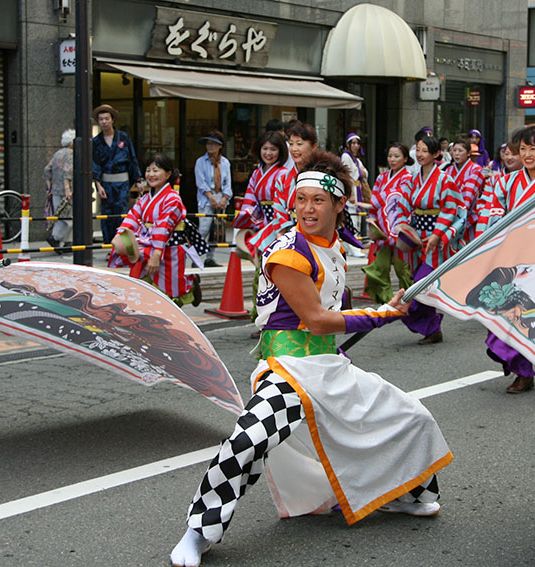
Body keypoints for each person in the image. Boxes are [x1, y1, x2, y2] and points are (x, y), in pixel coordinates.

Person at [169, 151, 452, 567]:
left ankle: (414, 496)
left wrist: (374, 310)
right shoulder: (287, 252)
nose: (306, 209)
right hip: (288, 370)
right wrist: (382, 314)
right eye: (300, 199)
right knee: (249, 441)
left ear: (339, 205)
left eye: (318, 200)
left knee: (409, 416)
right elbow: (317, 320)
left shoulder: (334, 243)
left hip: (330, 367)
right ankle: (199, 531)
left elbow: (334, 309)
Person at [474, 125, 535, 393]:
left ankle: (524, 371)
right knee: (499, 314)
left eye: (533, 148)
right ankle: (521, 367)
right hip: (511, 258)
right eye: (522, 148)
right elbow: (489, 211)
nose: (527, 154)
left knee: (524, 318)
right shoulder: (507, 181)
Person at [109, 153, 203, 308]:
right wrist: (122, 234)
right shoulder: (145, 198)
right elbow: (132, 217)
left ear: (168, 174)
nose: (151, 174)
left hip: (169, 249)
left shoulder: (173, 199)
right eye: (148, 170)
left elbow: (163, 227)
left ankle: (190, 287)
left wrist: (156, 254)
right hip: (147, 246)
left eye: (156, 170)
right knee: (142, 285)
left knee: (171, 292)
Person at [401, 135, 465, 345]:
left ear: (436, 154)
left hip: (436, 237)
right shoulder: (412, 177)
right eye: (418, 150)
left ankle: (430, 325)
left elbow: (451, 208)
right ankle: (432, 329)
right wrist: (403, 227)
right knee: (420, 284)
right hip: (417, 236)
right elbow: (405, 205)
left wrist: (438, 234)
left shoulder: (445, 179)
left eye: (425, 151)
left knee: (422, 285)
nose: (420, 155)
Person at [233, 131, 290, 320]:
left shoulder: (283, 174)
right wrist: (249, 219)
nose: (268, 153)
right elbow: (250, 200)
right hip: (263, 226)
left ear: (280, 151)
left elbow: (283, 204)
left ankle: (268, 316)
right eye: (265, 148)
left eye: (273, 149)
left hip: (278, 228)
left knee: (269, 274)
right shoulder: (257, 173)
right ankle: (263, 316)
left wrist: (281, 230)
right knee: (261, 273)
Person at [363, 142, 415, 303]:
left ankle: (409, 301)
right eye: (390, 156)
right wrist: (373, 222)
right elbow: (374, 200)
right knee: (381, 266)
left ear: (405, 159)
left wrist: (376, 202)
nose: (392, 159)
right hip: (383, 228)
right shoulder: (382, 177)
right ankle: (386, 301)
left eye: (397, 156)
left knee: (403, 268)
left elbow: (397, 196)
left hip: (400, 227)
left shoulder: (408, 178)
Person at [92, 104, 142, 245]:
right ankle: (110, 245)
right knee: (107, 215)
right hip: (106, 182)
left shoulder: (123, 137)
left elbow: (132, 158)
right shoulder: (96, 142)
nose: (104, 122)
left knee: (122, 214)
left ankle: (123, 245)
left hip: (122, 182)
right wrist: (98, 184)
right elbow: (95, 164)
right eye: (101, 119)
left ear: (112, 120)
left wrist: (137, 180)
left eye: (106, 119)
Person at [194, 130, 232, 267]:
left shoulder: (225, 162)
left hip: (221, 196)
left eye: (213, 144)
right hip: (206, 198)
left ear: (220, 146)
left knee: (216, 230)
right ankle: (195, 255)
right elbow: (201, 182)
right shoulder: (200, 161)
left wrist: (224, 198)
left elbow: (228, 183)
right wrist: (211, 197)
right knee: (203, 227)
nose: (210, 147)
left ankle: (210, 258)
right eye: (208, 144)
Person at [442, 138, 485, 244]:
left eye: (460, 151)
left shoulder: (476, 170)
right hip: (450, 215)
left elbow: (467, 197)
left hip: (470, 215)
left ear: (468, 153)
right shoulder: (448, 170)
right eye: (454, 150)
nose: (456, 154)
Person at [44, 128, 74, 252]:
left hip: (55, 190)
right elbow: (68, 172)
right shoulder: (71, 154)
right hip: (68, 191)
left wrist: (49, 186)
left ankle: (68, 243)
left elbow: (47, 169)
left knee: (60, 215)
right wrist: (67, 189)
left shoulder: (57, 153)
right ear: (72, 142)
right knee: (67, 218)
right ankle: (55, 238)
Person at [340, 132, 370, 258]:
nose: (356, 146)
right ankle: (352, 247)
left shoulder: (355, 159)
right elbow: (349, 175)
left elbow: (365, 173)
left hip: (357, 189)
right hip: (351, 190)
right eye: (353, 143)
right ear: (348, 144)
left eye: (357, 143)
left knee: (357, 218)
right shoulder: (346, 157)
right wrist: (351, 193)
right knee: (351, 218)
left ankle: (354, 245)